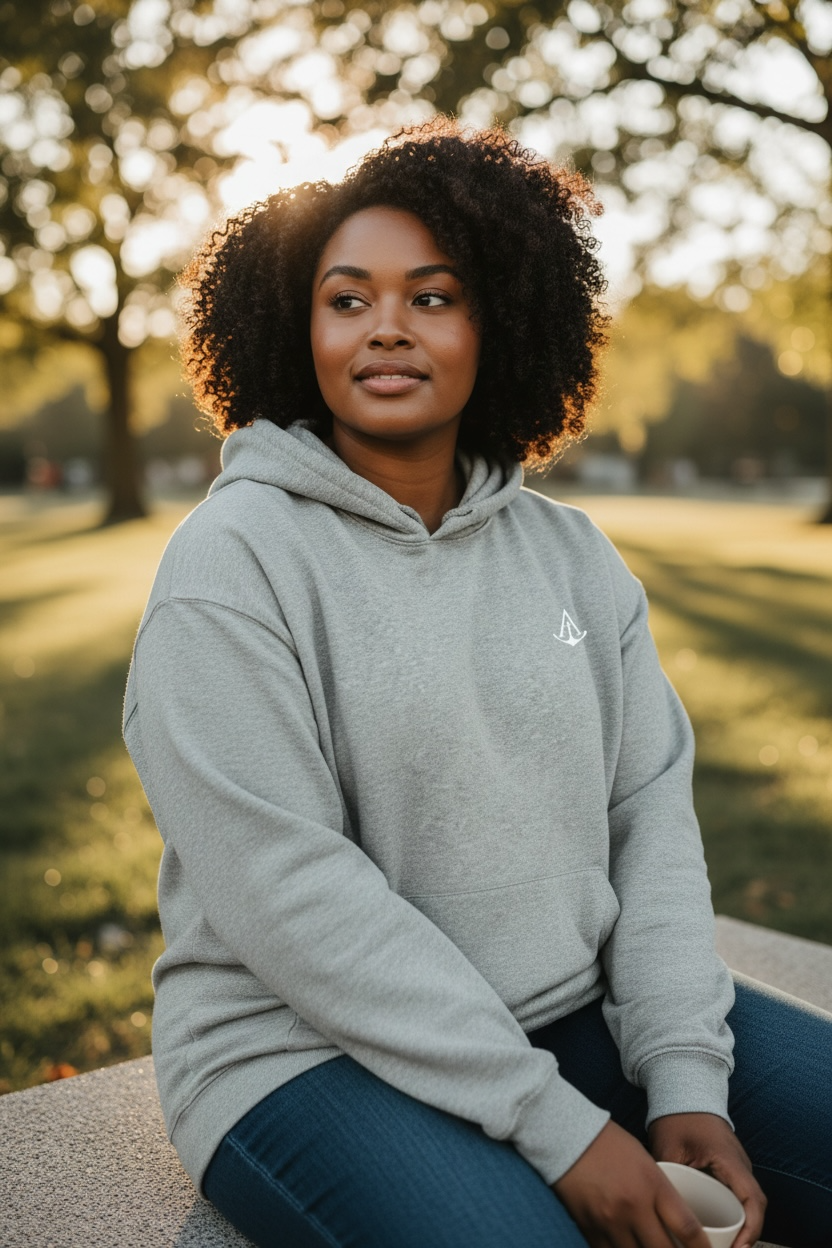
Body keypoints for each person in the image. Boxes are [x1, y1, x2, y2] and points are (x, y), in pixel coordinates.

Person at [123, 119, 831, 1248]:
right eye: (346, 299)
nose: (386, 329)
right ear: (292, 329)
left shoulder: (573, 556)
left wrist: (685, 1077)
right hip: (301, 1052)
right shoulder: (231, 565)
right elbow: (293, 897)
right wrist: (559, 1128)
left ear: (499, 319)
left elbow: (646, 816)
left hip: (572, 1008)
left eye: (433, 296)